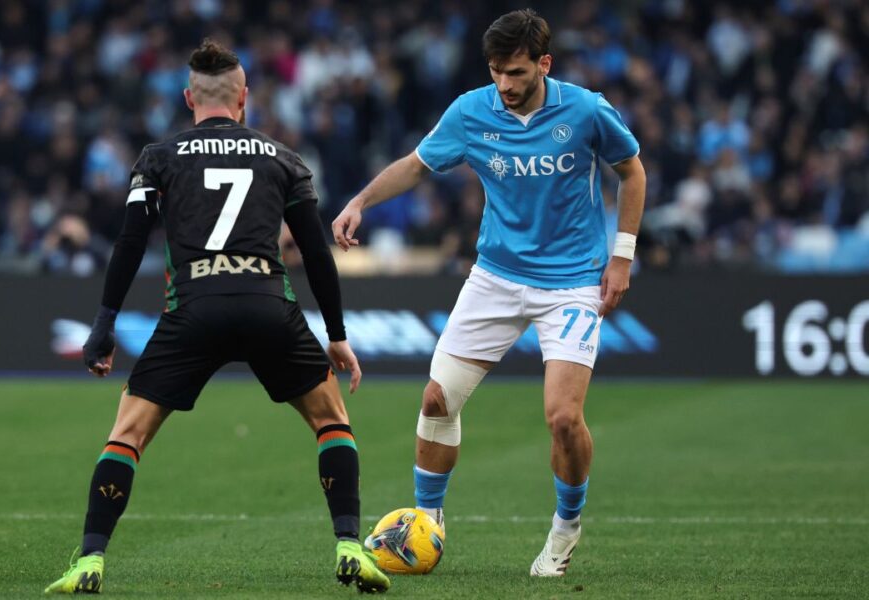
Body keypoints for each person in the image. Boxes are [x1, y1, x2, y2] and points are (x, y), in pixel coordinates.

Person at [45, 39, 390, 594]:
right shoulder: (283, 158)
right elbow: (318, 254)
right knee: (331, 421)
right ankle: (350, 544)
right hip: (266, 304)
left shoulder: (158, 157)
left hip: (194, 307)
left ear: (189, 98)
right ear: (243, 98)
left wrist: (104, 325)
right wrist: (338, 335)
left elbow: (130, 244)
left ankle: (90, 560)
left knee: (127, 435)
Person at [332, 9, 646, 577]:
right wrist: (359, 202)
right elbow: (415, 166)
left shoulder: (586, 109)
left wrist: (621, 256)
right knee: (435, 401)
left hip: (572, 283)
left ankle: (565, 529)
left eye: (517, 73)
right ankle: (427, 525)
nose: (504, 85)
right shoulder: (471, 111)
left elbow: (632, 171)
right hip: (495, 278)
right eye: (497, 71)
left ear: (544, 64)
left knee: (563, 420)